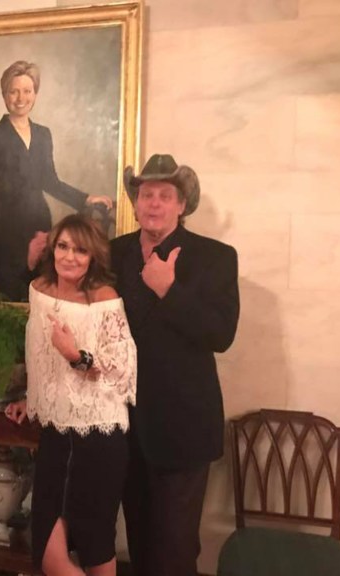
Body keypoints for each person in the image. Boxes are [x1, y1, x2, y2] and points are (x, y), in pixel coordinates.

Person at [111, 154, 240, 576]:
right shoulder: (113, 254)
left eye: (166, 195)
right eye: (146, 194)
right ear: (135, 203)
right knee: (142, 546)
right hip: (125, 428)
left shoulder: (216, 257)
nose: (154, 203)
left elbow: (221, 334)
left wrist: (170, 290)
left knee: (176, 552)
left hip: (183, 430)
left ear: (182, 205)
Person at [5, 214, 137, 576]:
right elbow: (40, 359)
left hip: (99, 438)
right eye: (63, 246)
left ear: (93, 255)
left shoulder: (104, 299)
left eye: (80, 250)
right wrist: (31, 401)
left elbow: (123, 369)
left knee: (97, 548)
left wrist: (76, 356)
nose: (69, 257)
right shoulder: (40, 290)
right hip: (56, 436)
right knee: (48, 552)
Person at [0, 60, 112, 302]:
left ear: (35, 94)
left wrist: (85, 199)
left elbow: (50, 181)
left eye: (27, 91)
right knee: (12, 298)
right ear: (4, 95)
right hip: (2, 228)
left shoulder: (43, 134)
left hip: (38, 226)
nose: (21, 98)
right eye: (14, 91)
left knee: (40, 297)